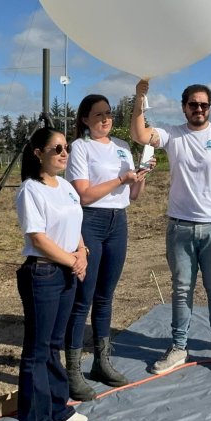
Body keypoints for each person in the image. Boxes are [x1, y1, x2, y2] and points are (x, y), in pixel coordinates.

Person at [130, 79, 211, 379]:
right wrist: (139, 98)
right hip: (180, 227)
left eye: (204, 104)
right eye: (193, 104)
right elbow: (139, 134)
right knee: (182, 290)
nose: (199, 109)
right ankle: (179, 347)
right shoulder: (172, 135)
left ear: (210, 107)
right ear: (184, 107)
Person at [63, 94, 150, 401]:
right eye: (98, 115)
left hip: (118, 221)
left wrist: (140, 176)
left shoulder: (123, 147)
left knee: (105, 295)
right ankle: (72, 370)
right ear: (85, 119)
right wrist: (119, 179)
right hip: (90, 222)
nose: (105, 119)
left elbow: (134, 194)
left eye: (109, 114)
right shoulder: (80, 148)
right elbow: (83, 195)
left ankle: (102, 361)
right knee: (82, 297)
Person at [15, 127, 90, 421]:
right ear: (38, 153)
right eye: (56, 148)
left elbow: (75, 226)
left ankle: (58, 408)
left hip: (67, 274)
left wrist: (82, 253)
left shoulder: (68, 187)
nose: (63, 154)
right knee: (37, 350)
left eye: (66, 148)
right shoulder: (31, 190)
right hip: (43, 275)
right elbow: (38, 238)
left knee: (55, 344)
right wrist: (73, 261)